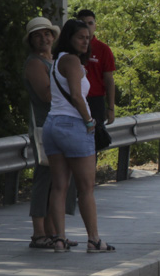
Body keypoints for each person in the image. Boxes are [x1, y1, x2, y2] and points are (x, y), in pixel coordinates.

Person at [42, 18, 115, 253]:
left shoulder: (56, 61)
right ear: (69, 39)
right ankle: (94, 240)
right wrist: (89, 121)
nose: (86, 41)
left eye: (87, 37)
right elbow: (76, 95)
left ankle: (59, 239)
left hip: (52, 125)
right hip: (73, 125)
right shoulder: (72, 61)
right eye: (80, 37)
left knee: (59, 186)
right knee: (86, 188)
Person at [23, 17, 78, 250]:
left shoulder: (54, 60)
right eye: (37, 35)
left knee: (61, 179)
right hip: (44, 126)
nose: (44, 38)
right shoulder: (35, 63)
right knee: (45, 178)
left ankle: (55, 232)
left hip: (61, 124)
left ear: (53, 37)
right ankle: (39, 233)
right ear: (31, 40)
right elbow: (46, 95)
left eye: (47, 33)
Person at [74, 10, 116, 145]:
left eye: (90, 23)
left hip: (95, 100)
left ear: (95, 25)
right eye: (83, 23)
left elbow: (109, 79)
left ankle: (91, 166)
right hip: (74, 99)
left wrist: (110, 108)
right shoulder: (70, 49)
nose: (87, 27)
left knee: (94, 141)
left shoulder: (103, 49)